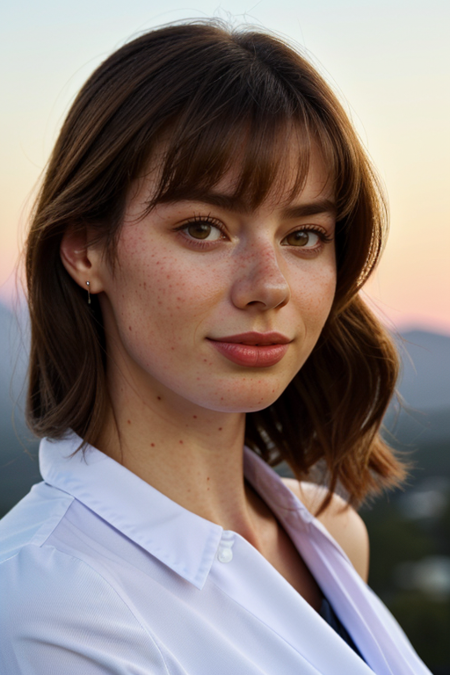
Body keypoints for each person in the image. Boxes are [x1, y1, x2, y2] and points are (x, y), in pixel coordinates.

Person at [0, 20, 430, 675]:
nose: (269, 285)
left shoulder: (332, 530)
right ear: (86, 250)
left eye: (305, 234)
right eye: (203, 228)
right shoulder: (49, 601)